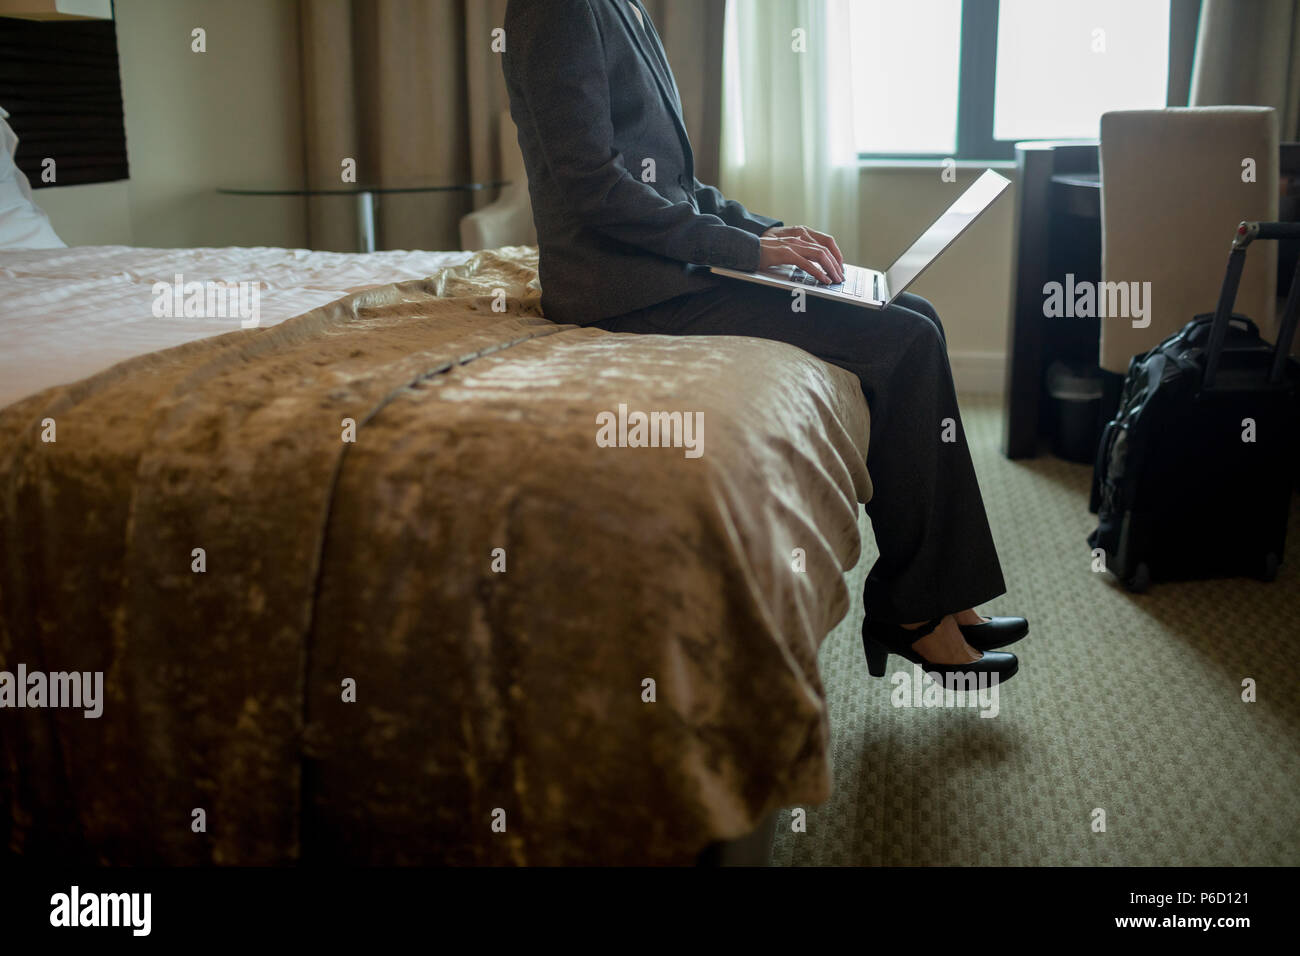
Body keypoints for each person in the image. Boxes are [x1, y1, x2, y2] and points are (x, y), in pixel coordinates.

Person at [502, 0, 1027, 683]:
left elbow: (681, 187)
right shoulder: (559, 8)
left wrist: (776, 236)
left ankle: (942, 597)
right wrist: (745, 252)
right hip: (625, 288)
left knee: (915, 312)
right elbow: (593, 188)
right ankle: (909, 613)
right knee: (904, 343)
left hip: (671, 265)